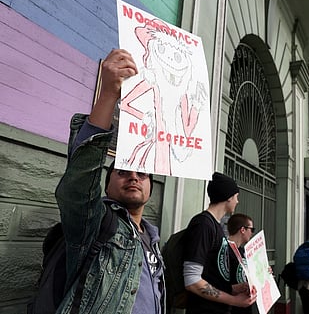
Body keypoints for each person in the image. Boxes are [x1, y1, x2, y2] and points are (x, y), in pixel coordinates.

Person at [54, 49, 165, 313]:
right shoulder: (95, 222)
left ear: (150, 185)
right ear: (106, 184)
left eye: (141, 173)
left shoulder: (153, 238)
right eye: (123, 171)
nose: (134, 177)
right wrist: (108, 95)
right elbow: (78, 184)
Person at [183, 172, 256, 314]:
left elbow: (211, 276)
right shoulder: (203, 224)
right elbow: (192, 280)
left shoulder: (216, 226)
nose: (237, 201)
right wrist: (234, 300)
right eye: (236, 196)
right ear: (229, 198)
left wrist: (235, 288)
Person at [227, 213, 256, 314]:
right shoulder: (224, 250)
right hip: (231, 307)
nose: (252, 233)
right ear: (243, 230)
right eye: (251, 229)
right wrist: (235, 288)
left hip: (246, 305)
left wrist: (264, 271)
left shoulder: (245, 251)